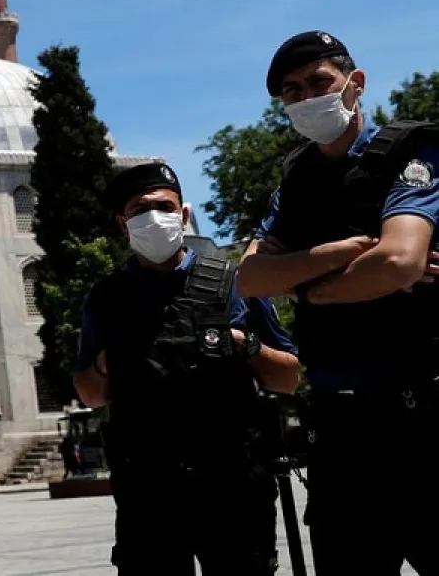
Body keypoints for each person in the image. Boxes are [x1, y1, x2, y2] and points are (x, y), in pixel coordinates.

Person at [237, 31, 439, 574]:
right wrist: (336, 260)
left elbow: (399, 260)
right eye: (291, 90)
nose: (306, 97)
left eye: (318, 82)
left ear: (356, 82)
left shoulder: (409, 153)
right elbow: (252, 279)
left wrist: (303, 282)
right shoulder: (295, 180)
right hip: (339, 432)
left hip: (420, 418)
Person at [73, 162, 301, 574]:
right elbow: (90, 394)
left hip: (231, 485)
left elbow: (289, 377)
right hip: (149, 490)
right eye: (140, 210)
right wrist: (110, 359)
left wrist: (243, 345)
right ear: (123, 224)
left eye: (164, 206)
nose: (154, 217)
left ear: (183, 215)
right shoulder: (107, 298)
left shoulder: (232, 281)